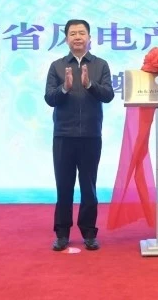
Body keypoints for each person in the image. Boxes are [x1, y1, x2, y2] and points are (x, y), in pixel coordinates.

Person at [44, 19, 115, 251]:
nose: (77, 37)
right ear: (66, 39)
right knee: (64, 187)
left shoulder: (100, 65)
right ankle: (62, 234)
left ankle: (89, 233)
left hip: (91, 136)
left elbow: (108, 95)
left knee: (89, 187)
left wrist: (89, 84)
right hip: (63, 135)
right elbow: (49, 98)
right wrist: (65, 87)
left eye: (81, 33)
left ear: (89, 38)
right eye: (73, 33)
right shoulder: (57, 66)